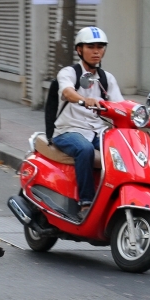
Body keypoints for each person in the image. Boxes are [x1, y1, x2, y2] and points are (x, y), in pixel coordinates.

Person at [53, 27, 124, 220]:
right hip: (68, 130)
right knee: (84, 149)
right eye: (90, 47)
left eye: (100, 47)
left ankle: (114, 198)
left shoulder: (107, 78)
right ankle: (86, 203)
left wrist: (140, 115)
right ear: (79, 50)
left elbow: (119, 105)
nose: (96, 51)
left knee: (122, 150)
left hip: (97, 130)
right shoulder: (69, 72)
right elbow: (67, 92)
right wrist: (83, 100)